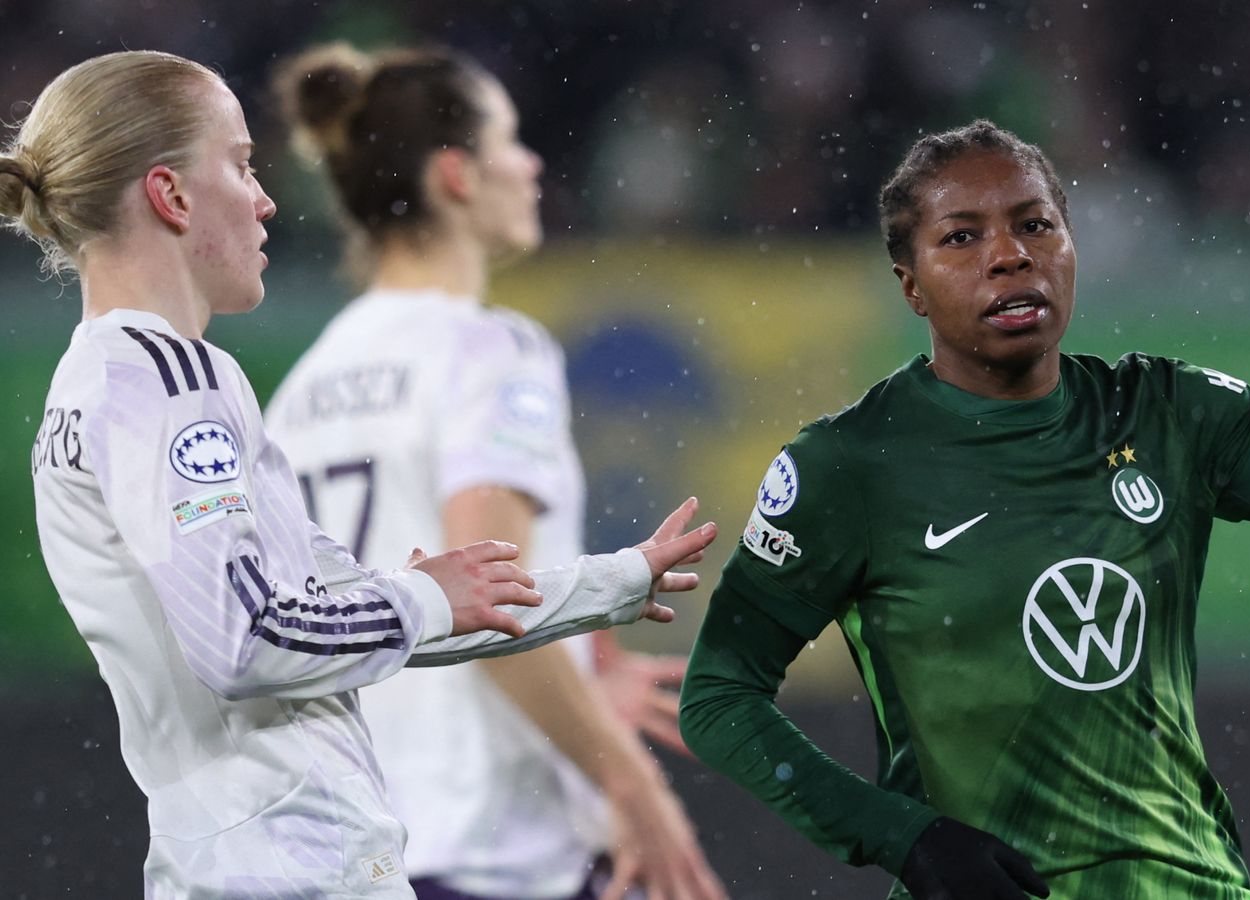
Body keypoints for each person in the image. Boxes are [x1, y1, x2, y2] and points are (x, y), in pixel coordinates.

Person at [679, 119, 1250, 899]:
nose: (1009, 255)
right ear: (910, 284)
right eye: (962, 238)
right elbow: (720, 694)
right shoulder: (849, 466)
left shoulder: (1168, 414)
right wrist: (905, 837)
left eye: (1035, 225)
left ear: (1070, 247)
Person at [3, 50, 717, 898]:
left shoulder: (215, 379)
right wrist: (423, 600)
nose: (265, 198)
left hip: (284, 851)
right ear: (172, 195)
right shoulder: (170, 380)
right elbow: (248, 640)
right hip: (332, 865)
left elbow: (371, 607)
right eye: (241, 164)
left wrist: (614, 582)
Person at [265, 44, 727, 900]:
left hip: (354, 843)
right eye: (510, 141)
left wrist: (582, 656)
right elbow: (493, 609)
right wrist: (632, 784)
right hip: (492, 845)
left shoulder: (299, 390)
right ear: (457, 175)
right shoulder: (490, 349)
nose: (531, 164)